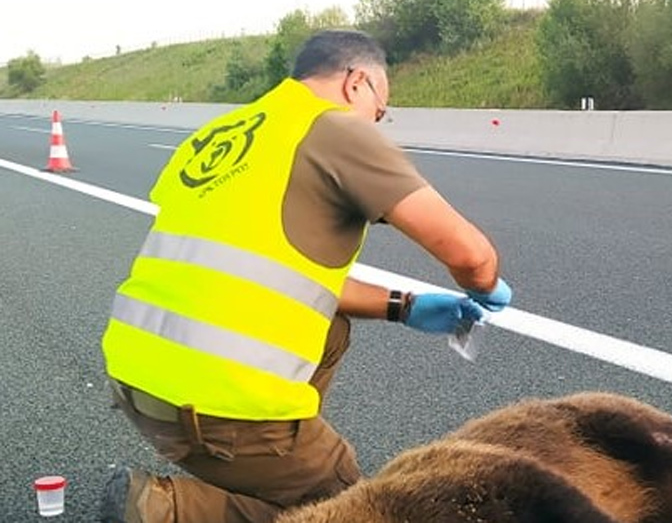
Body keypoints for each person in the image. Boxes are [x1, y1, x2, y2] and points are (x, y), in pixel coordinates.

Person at [98, 29, 512, 523]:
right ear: (357, 83)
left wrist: (404, 307)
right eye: (381, 111)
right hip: (208, 407)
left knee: (331, 330)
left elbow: (277, 276)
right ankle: (165, 509)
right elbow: (471, 255)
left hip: (138, 379)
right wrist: (486, 288)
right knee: (347, 504)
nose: (378, 124)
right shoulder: (334, 129)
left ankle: (271, 459)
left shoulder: (229, 130)